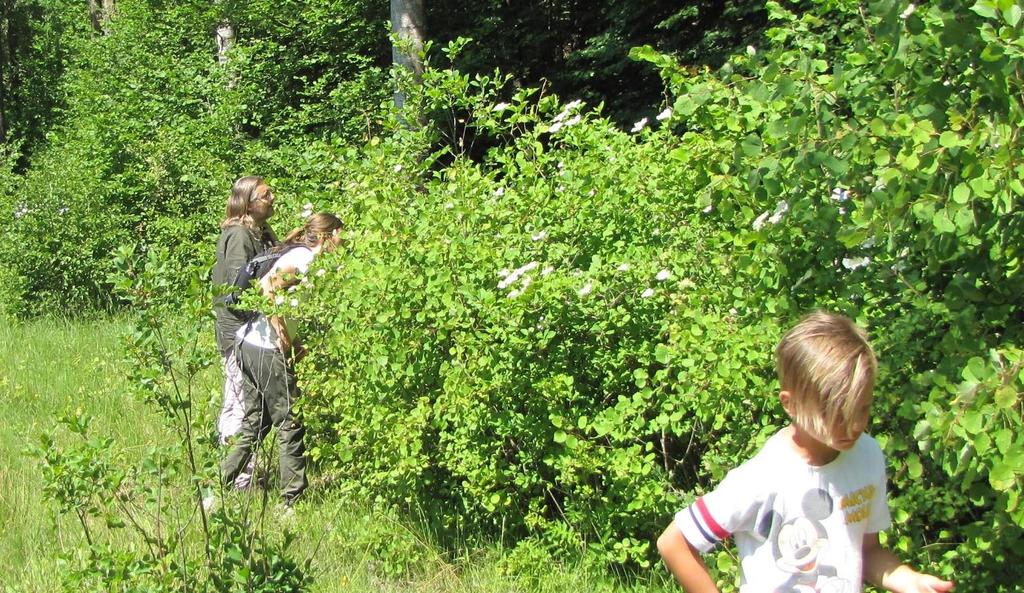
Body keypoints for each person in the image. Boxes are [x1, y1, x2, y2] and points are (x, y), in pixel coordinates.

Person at [657, 311, 955, 593]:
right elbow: (674, 542)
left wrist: (907, 579)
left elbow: (867, 551)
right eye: (835, 414)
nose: (852, 425)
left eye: (861, 410)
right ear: (790, 404)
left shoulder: (867, 455)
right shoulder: (762, 477)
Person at [220, 212, 343, 508]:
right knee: (289, 422)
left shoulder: (295, 254)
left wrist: (295, 339)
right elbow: (269, 289)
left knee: (254, 422)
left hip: (247, 343)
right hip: (265, 348)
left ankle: (218, 484)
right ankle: (291, 500)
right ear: (327, 236)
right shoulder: (304, 259)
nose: (344, 240)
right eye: (341, 234)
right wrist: (282, 335)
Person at [212, 176, 278, 489]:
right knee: (239, 400)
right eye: (266, 195)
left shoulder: (260, 231)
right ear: (249, 202)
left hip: (252, 331)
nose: (272, 198)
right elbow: (240, 286)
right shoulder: (239, 234)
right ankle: (239, 478)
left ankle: (240, 470)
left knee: (245, 400)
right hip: (238, 331)